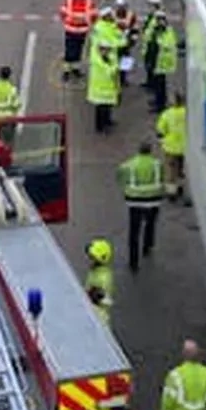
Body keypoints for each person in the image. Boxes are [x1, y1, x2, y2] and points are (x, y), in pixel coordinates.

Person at [117, 139, 163, 272]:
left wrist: (125, 188)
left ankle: (133, 262)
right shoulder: (157, 164)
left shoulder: (129, 165)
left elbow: (120, 176)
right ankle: (147, 246)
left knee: (134, 231)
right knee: (151, 224)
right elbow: (161, 179)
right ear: (150, 151)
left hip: (135, 200)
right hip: (154, 199)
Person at [58, 0, 97, 80]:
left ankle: (75, 69)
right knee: (69, 51)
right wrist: (69, 21)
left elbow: (94, 15)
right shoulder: (69, 0)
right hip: (71, 30)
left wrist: (87, 22)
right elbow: (63, 12)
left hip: (82, 31)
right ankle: (66, 71)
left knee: (78, 50)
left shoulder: (88, 2)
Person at [156, 93, 187, 202]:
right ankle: (181, 188)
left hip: (170, 147)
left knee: (171, 170)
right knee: (181, 170)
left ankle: (171, 192)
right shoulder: (187, 113)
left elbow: (160, 130)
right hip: (184, 147)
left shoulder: (167, 114)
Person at [147, 10, 179, 114]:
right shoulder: (156, 30)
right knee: (157, 85)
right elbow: (149, 39)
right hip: (156, 62)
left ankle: (160, 105)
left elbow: (167, 44)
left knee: (161, 86)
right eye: (158, 20)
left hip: (163, 64)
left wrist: (158, 39)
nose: (160, 22)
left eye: (161, 20)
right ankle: (157, 101)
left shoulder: (168, 31)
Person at [87, 41, 119, 134]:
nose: (105, 51)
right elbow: (110, 71)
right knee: (101, 109)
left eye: (107, 49)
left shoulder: (109, 57)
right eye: (103, 49)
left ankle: (108, 121)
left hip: (108, 89)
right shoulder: (97, 61)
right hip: (100, 90)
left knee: (108, 106)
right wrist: (115, 67)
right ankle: (100, 127)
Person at [84, 238, 114, 327]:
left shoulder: (103, 278)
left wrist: (93, 295)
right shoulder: (96, 270)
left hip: (98, 319)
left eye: (93, 257)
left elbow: (106, 300)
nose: (90, 259)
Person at [112, 0, 138, 86]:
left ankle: (123, 79)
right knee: (114, 61)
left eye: (122, 6)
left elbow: (135, 28)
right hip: (115, 43)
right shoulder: (112, 14)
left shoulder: (131, 15)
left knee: (125, 61)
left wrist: (133, 40)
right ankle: (116, 78)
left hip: (126, 42)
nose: (120, 8)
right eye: (119, 6)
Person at [139, 0, 163, 88]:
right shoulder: (151, 16)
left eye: (150, 5)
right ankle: (149, 82)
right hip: (148, 45)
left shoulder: (158, 17)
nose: (149, 7)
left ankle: (153, 85)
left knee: (152, 66)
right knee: (148, 66)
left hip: (153, 46)